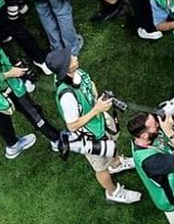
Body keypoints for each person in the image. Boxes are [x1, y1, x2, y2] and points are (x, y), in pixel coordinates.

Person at [49, 49, 141, 204]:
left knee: (113, 144)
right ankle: (113, 192)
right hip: (89, 136)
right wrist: (96, 109)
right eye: (70, 59)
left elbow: (90, 85)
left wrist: (98, 101)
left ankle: (116, 163)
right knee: (100, 167)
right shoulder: (67, 96)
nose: (75, 57)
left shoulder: (78, 72)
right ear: (66, 69)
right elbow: (72, 125)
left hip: (99, 120)